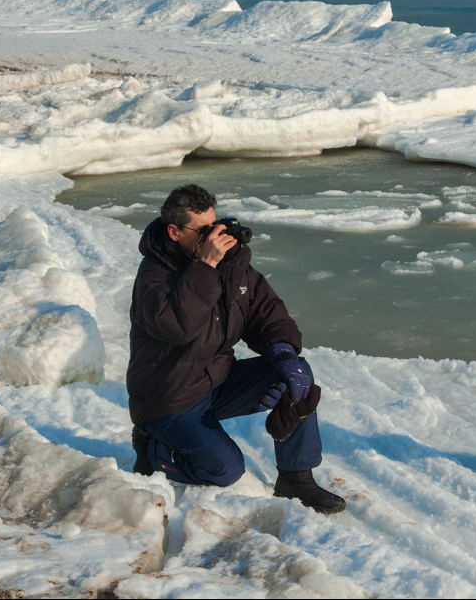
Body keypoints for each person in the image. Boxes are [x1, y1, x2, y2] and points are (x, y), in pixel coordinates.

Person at [126, 184, 345, 514]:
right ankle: (155, 450)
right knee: (224, 470)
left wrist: (284, 354)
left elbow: (267, 313)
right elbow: (180, 327)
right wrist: (205, 266)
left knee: (294, 373)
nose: (213, 236)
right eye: (202, 230)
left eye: (213, 225)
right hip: (169, 395)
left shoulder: (232, 265)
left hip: (217, 379)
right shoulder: (154, 276)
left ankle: (296, 478)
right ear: (174, 231)